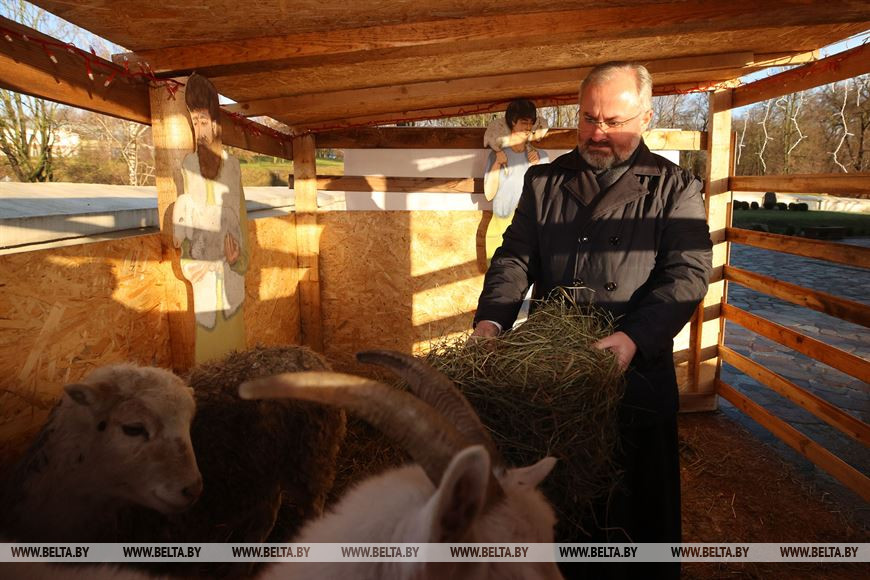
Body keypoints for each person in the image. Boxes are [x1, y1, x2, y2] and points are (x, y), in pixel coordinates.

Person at [471, 62, 713, 579]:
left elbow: (687, 274)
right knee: (561, 518)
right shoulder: (545, 181)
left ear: (646, 118)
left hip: (635, 377)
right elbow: (515, 260)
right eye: (588, 118)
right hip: (555, 383)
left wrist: (630, 339)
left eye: (614, 121)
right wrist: (491, 323)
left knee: (636, 523)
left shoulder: (675, 187)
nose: (598, 133)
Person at [172, 73, 249, 364]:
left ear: (216, 123)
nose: (200, 130)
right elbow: (185, 218)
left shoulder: (233, 168)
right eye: (195, 123)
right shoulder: (188, 166)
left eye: (204, 122)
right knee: (208, 360)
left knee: (234, 356)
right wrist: (189, 263)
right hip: (204, 284)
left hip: (230, 281)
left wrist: (237, 257)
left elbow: (241, 224)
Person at [483, 99, 549, 262]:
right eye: (523, 122)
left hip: (529, 232)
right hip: (499, 229)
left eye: (531, 123)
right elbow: (489, 195)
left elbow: (547, 199)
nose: (528, 127)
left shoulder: (541, 157)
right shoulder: (496, 155)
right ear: (512, 122)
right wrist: (497, 163)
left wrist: (537, 167)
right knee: (497, 282)